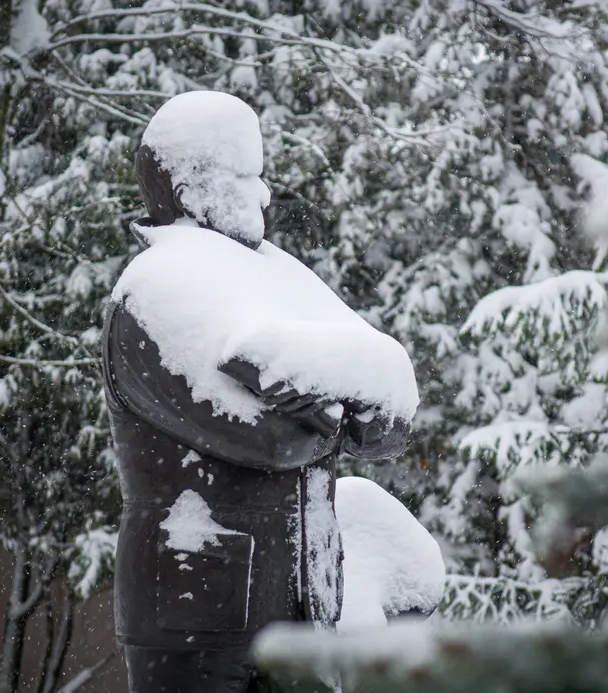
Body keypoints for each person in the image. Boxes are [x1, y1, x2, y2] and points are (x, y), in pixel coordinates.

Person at [102, 91, 414, 693]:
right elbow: (266, 439)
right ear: (190, 187)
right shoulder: (153, 293)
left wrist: (344, 408)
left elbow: (391, 408)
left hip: (306, 608)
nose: (265, 193)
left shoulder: (282, 274)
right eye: (247, 177)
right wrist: (342, 412)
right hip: (196, 607)